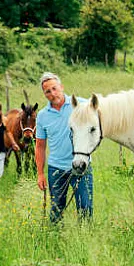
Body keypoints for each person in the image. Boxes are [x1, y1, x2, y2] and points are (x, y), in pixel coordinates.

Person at [35, 72, 93, 223]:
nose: (52, 93)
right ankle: (54, 240)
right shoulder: (42, 116)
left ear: (61, 87)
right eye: (48, 91)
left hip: (81, 167)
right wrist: (40, 173)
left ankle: (84, 240)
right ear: (44, 94)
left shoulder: (81, 105)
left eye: (54, 88)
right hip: (56, 169)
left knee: (85, 208)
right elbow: (40, 146)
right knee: (56, 210)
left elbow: (98, 119)